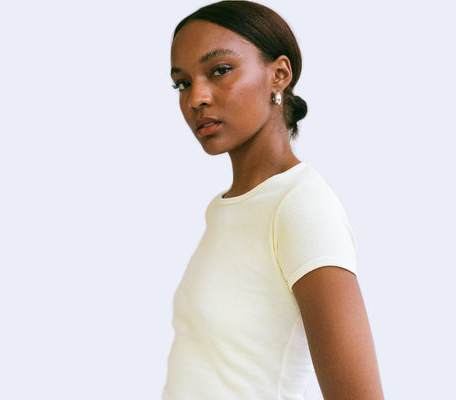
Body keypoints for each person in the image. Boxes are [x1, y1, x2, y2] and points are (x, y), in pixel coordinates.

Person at [164, 1, 384, 399]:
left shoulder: (301, 206)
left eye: (220, 70)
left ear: (279, 75)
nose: (196, 97)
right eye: (182, 83)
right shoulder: (224, 209)